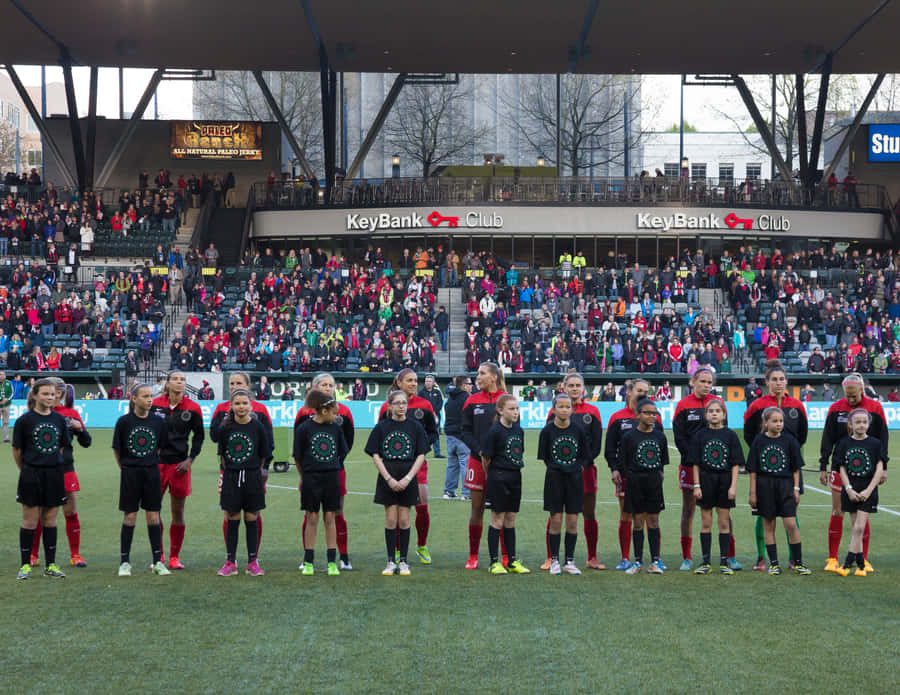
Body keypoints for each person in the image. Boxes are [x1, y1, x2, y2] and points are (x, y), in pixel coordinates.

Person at [819, 373, 888, 573]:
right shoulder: (836, 408)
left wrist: (882, 468)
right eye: (847, 395)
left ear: (862, 389)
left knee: (861, 514)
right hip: (840, 468)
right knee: (838, 510)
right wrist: (824, 465)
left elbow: (883, 440)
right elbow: (827, 438)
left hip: (866, 471)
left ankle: (862, 558)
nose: (850, 399)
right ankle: (832, 558)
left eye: (854, 395)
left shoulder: (875, 408)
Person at [743, 361, 807, 571]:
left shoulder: (797, 406)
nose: (778, 383)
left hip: (789, 472)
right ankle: (763, 558)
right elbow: (749, 435)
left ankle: (793, 559)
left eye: (782, 379)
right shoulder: (756, 406)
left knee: (791, 516)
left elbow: (802, 436)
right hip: (765, 474)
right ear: (767, 382)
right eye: (774, 380)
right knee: (764, 518)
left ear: (786, 381)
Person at [672, 368, 739, 571]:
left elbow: (724, 435)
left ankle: (730, 556)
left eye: (709, 382)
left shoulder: (717, 404)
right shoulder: (683, 405)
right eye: (702, 381)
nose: (706, 385)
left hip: (717, 469)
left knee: (724, 512)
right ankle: (687, 556)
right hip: (691, 466)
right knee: (689, 509)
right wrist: (695, 458)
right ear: (693, 381)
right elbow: (679, 436)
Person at [541, 373, 605, 570]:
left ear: (583, 388)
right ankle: (551, 558)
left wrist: (581, 465)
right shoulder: (554, 414)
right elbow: (549, 448)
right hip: (559, 472)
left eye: (578, 385)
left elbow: (594, 446)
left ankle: (591, 557)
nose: (575, 388)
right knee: (556, 514)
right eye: (571, 385)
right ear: (564, 387)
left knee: (587, 513)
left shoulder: (593, 411)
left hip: (584, 471)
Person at [210, 372, 275, 569]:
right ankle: (231, 559)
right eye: (232, 383)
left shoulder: (260, 411)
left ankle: (253, 558)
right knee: (231, 513)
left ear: (248, 385)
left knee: (253, 513)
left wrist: (264, 468)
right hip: (230, 471)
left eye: (239, 382)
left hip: (254, 471)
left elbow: (267, 442)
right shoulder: (221, 410)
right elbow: (215, 437)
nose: (234, 385)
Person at [294, 373, 356, 569]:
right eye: (324, 385)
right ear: (315, 387)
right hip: (312, 473)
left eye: (331, 385)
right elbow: (298, 449)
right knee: (310, 515)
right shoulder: (304, 415)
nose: (328, 388)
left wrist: (334, 462)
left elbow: (348, 441)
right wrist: (307, 472)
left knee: (336, 513)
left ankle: (342, 556)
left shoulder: (343, 412)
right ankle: (308, 558)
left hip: (334, 471)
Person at [13, 379, 71, 579]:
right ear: (35, 395)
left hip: (54, 474)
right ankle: (25, 565)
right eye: (45, 394)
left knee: (50, 520)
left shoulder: (59, 420)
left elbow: (61, 448)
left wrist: (50, 463)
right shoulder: (24, 421)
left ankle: (51, 565)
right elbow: (17, 450)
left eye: (52, 394)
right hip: (31, 473)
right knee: (30, 521)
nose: (50, 397)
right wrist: (28, 468)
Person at [366, 390, 427, 576]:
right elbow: (375, 454)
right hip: (388, 477)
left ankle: (404, 562)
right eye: (397, 403)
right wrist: (388, 478)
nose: (401, 406)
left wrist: (408, 478)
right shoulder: (381, 427)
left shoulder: (415, 427)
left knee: (404, 519)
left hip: (408, 477)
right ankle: (391, 561)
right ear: (390, 405)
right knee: (391, 519)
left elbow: (421, 454)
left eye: (404, 403)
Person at [378, 369, 436, 564]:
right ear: (399, 382)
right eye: (409, 380)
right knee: (395, 510)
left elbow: (434, 433)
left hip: (418, 465)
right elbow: (381, 435)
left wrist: (419, 448)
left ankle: (422, 545)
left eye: (415, 381)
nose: (413, 384)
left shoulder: (425, 405)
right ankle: (396, 550)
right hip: (394, 466)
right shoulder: (387, 407)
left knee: (422, 506)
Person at [113, 383, 170, 577]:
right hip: (130, 473)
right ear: (133, 399)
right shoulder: (124, 422)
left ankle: (157, 562)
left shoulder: (158, 422)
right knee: (130, 516)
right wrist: (128, 467)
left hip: (152, 472)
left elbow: (160, 448)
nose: (149, 399)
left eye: (150, 396)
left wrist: (147, 462)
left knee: (154, 516)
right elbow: (117, 450)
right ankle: (124, 562)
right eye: (144, 396)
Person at [604, 379, 661, 570]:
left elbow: (658, 448)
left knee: (651, 516)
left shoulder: (654, 417)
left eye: (646, 391)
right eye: (639, 390)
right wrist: (615, 469)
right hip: (627, 475)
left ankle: (654, 558)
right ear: (629, 391)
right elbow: (610, 448)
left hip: (650, 476)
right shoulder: (617, 417)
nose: (643, 394)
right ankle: (626, 557)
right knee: (628, 515)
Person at [746, 407, 811, 575]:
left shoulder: (790, 440)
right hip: (764, 488)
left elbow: (796, 468)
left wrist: (796, 489)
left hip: (786, 487)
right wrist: (752, 493)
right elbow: (753, 470)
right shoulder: (759, 441)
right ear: (765, 423)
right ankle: (774, 564)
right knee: (769, 526)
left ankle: (798, 563)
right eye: (774, 421)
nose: (778, 424)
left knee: (791, 524)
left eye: (781, 421)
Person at [150, 371, 205, 569]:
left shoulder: (193, 408)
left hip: (180, 466)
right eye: (175, 379)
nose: (179, 382)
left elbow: (199, 437)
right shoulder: (154, 404)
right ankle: (159, 556)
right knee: (153, 511)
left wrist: (190, 460)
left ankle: (174, 557)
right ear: (167, 383)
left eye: (182, 380)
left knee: (177, 512)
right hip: (156, 465)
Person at [461, 362, 508, 569]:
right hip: (476, 461)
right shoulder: (471, 400)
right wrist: (479, 450)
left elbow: (514, 429)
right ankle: (473, 556)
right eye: (477, 373)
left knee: (502, 510)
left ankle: (505, 556)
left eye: (481, 373)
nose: (477, 377)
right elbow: (465, 431)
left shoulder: (505, 400)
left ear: (493, 377)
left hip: (501, 464)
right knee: (477, 509)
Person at [687, 400, 743, 574]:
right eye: (711, 411)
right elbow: (695, 463)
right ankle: (705, 562)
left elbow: (735, 464)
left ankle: (724, 562)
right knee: (706, 522)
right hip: (705, 481)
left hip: (724, 482)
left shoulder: (731, 435)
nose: (714, 414)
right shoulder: (700, 435)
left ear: (724, 414)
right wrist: (696, 485)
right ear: (706, 415)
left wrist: (733, 486)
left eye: (718, 411)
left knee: (724, 522)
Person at [538, 393, 590, 575]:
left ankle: (569, 560)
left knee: (573, 521)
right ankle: (554, 560)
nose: (564, 409)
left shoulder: (578, 430)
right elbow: (544, 456)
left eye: (567, 407)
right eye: (560, 406)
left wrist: (577, 468)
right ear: (553, 409)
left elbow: (585, 455)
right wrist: (558, 468)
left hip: (574, 480)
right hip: (554, 479)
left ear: (572, 409)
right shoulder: (547, 431)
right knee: (556, 520)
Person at [616, 398, 670, 574]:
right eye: (647, 413)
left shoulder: (660, 436)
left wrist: (657, 478)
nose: (651, 416)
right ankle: (637, 561)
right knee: (638, 521)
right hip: (635, 482)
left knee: (653, 520)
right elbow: (623, 462)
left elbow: (662, 462)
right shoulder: (629, 437)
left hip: (654, 482)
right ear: (638, 415)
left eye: (654, 413)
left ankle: (655, 561)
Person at [831, 409, 884, 577]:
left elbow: (880, 469)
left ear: (868, 424)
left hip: (868, 489)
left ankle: (847, 564)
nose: (861, 425)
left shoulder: (876, 444)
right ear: (850, 424)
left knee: (860, 527)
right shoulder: (844, 443)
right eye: (858, 422)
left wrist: (869, 490)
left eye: (864, 422)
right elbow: (841, 468)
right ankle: (861, 566)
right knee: (855, 528)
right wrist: (848, 489)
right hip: (851, 490)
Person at [482, 394, 529, 575]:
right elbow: (486, 458)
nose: (515, 412)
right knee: (497, 519)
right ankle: (494, 562)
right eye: (511, 409)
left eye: (517, 408)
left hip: (515, 477)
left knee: (511, 519)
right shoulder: (494, 431)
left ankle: (511, 560)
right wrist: (492, 476)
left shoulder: (519, 430)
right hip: (498, 478)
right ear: (500, 410)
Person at [442, 375, 473, 500]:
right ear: (464, 385)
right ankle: (466, 493)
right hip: (462, 436)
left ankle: (449, 491)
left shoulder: (450, 398)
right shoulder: (467, 398)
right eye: (470, 383)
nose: (472, 386)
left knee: (452, 464)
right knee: (465, 464)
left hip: (450, 435)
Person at [418, 374, 445, 458]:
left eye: (429, 381)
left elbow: (440, 403)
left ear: (433, 383)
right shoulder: (421, 392)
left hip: (435, 417)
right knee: (423, 435)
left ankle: (437, 453)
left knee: (436, 434)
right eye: (426, 381)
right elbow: (419, 404)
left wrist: (434, 411)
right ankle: (422, 452)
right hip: (424, 418)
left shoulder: (437, 392)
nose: (428, 383)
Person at [0, 370, 12, 442]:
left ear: (5, 376)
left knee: (6, 422)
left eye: (2, 374)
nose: (1, 376)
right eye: (0, 374)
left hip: (6, 405)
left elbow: (11, 392)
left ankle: (6, 438)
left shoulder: (8, 383)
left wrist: (6, 399)